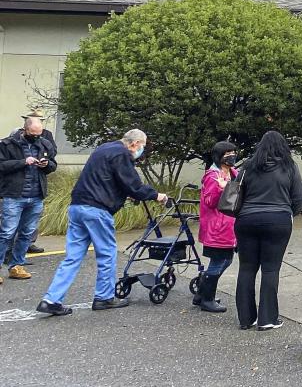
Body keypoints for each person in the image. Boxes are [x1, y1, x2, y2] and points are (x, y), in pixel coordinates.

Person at [37, 129, 167, 316]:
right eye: (142, 146)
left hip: (78, 206)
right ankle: (104, 297)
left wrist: (123, 194)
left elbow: (106, 179)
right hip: (97, 210)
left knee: (72, 257)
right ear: (134, 144)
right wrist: (157, 195)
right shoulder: (122, 154)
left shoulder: (104, 149)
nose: (142, 151)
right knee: (106, 254)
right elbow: (134, 185)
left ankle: (51, 299)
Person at [233, 130, 302, 331]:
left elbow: (235, 191)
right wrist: (289, 213)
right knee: (270, 269)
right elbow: (298, 198)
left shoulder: (248, 166)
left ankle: (246, 319)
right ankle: (267, 319)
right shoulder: (289, 167)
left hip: (246, 220)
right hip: (278, 220)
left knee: (246, 268)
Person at [0, 112, 58, 282]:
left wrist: (47, 165)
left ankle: (17, 266)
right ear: (24, 130)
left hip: (36, 196)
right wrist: (24, 162)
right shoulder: (7, 144)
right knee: (6, 233)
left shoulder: (45, 144)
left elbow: (53, 165)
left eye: (38, 134)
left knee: (26, 233)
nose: (36, 137)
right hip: (14, 195)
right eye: (33, 134)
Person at [195, 141, 238, 313]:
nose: (232, 156)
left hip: (230, 228)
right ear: (218, 156)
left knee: (226, 260)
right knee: (218, 262)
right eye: (227, 153)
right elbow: (210, 202)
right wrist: (222, 189)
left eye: (233, 152)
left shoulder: (234, 173)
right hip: (217, 228)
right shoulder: (212, 175)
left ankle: (201, 293)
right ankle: (207, 299)